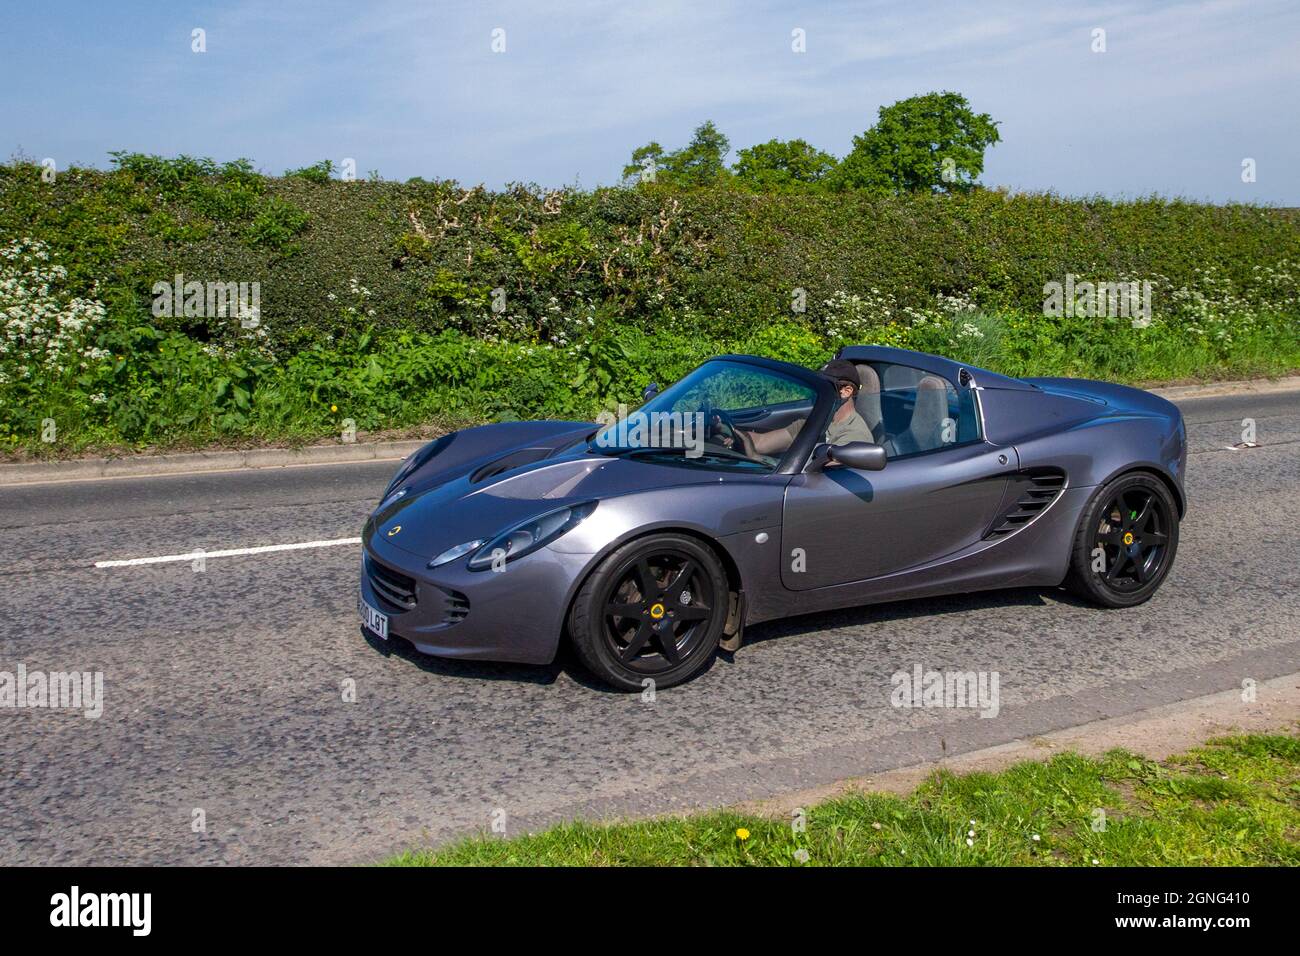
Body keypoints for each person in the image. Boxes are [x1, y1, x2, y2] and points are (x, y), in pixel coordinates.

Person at [721, 359, 876, 457]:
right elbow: (761, 442)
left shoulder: (855, 437)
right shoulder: (816, 423)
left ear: (846, 392)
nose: (817, 391)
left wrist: (755, 458)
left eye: (824, 386)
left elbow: (816, 474)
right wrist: (730, 431)